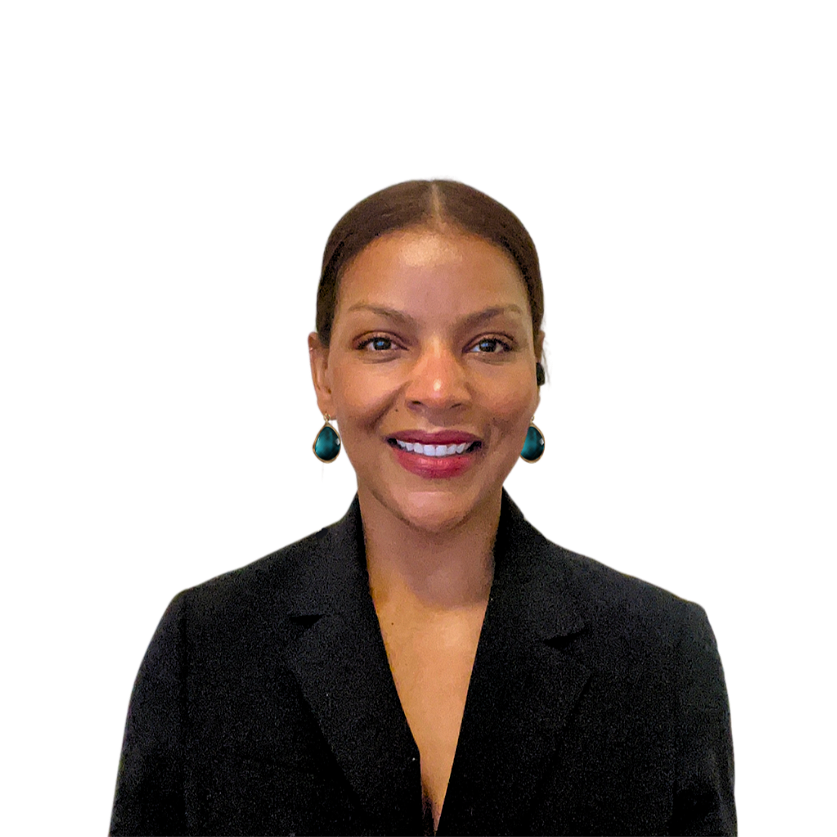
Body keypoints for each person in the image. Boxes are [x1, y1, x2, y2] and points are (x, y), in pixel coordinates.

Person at [108, 176, 739, 836]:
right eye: (382, 342)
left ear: (537, 372)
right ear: (320, 373)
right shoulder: (207, 643)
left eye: (488, 344)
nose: (438, 389)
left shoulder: (656, 655)